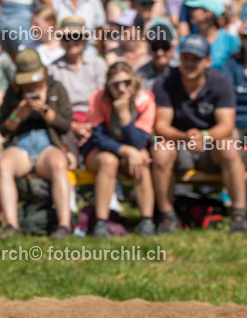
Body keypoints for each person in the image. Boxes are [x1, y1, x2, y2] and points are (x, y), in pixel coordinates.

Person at [151, 34, 246, 234]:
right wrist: (186, 137)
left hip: (211, 144)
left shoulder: (221, 82)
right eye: (186, 57)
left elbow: (226, 125)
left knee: (230, 147)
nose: (189, 63)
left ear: (207, 61)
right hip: (178, 142)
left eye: (195, 59)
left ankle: (239, 214)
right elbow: (161, 125)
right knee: (159, 149)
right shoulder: (165, 82)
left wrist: (204, 136)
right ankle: (167, 217)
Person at [0, 49, 74, 239]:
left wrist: (45, 110)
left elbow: (65, 125)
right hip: (21, 145)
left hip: (47, 145)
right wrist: (18, 114)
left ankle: (64, 225)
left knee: (58, 164)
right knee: (3, 164)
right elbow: (3, 129)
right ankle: (12, 225)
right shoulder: (13, 93)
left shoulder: (56, 88)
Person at [84, 61, 156, 236]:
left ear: (134, 82)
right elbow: (99, 138)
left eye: (127, 83)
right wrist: (127, 151)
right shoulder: (97, 98)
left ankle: (147, 221)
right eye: (116, 84)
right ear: (108, 86)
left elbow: (139, 142)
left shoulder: (146, 100)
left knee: (142, 158)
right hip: (100, 151)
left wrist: (124, 116)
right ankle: (101, 223)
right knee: (109, 161)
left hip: (134, 149)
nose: (122, 88)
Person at [49, 16, 106, 156]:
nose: (72, 42)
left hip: (95, 119)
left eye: (76, 36)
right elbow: (53, 107)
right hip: (66, 122)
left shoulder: (97, 65)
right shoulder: (52, 69)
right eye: (67, 37)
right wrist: (74, 126)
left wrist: (90, 125)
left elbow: (104, 99)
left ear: (84, 40)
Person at [184, 0, 239, 69]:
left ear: (208, 13)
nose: (191, 12)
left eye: (195, 9)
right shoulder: (186, 41)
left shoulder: (230, 41)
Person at [138, 18, 177, 89]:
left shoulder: (182, 69)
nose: (160, 53)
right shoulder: (140, 75)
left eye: (165, 47)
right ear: (149, 50)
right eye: (155, 47)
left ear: (172, 48)